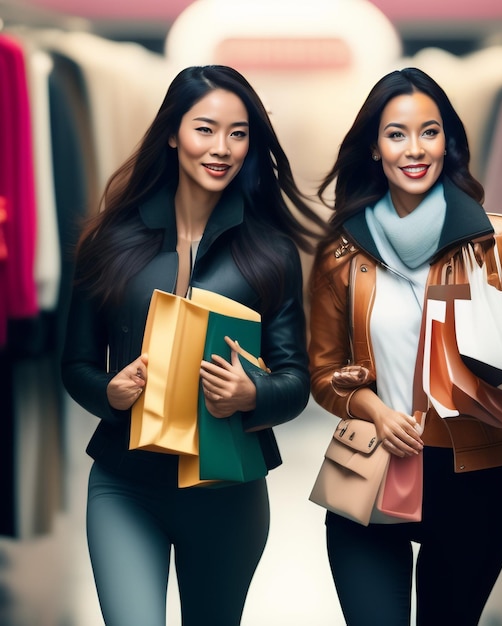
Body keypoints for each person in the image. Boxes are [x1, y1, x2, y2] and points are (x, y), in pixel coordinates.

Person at [61, 65, 327, 626]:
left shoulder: (269, 251)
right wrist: (109, 392)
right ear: (173, 133)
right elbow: (76, 364)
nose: (222, 148)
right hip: (124, 486)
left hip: (227, 492)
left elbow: (296, 382)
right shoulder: (110, 240)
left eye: (238, 133)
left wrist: (249, 394)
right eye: (205, 129)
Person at [307, 67, 502, 626]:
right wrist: (372, 408)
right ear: (373, 148)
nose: (415, 149)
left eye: (430, 131)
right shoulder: (342, 254)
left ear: (449, 141)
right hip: (370, 470)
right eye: (396, 134)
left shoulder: (501, 241)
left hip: (469, 478)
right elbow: (321, 373)